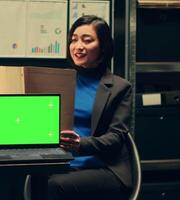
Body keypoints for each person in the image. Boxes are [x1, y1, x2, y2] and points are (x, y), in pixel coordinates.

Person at [47, 15, 133, 200]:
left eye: (87, 40)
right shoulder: (59, 81)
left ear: (103, 47)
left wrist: (80, 145)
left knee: (56, 184)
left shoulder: (119, 87)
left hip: (104, 168)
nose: (78, 46)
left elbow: (116, 138)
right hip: (61, 162)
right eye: (74, 40)